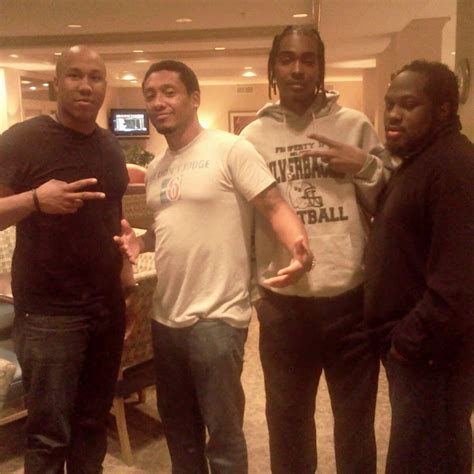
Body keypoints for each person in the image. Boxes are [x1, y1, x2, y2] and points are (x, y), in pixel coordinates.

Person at [114, 59, 313, 474]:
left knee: (223, 438)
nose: (158, 102)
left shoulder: (230, 149)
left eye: (169, 92)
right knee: (180, 434)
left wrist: (298, 246)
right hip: (165, 319)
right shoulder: (156, 169)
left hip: (218, 320)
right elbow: (168, 227)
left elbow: (273, 203)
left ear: (194, 98)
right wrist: (142, 241)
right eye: (150, 95)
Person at [240, 25, 385, 474]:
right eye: (287, 59)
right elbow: (244, 222)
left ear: (321, 67)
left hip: (350, 302)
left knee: (356, 423)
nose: (297, 69)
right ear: (273, 67)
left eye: (308, 59)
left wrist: (365, 166)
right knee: (287, 424)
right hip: (284, 307)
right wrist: (255, 293)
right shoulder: (252, 138)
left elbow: (391, 205)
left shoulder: (354, 126)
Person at [0, 45, 137, 473]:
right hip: (49, 314)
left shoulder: (110, 145)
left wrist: (128, 282)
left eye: (95, 78)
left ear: (104, 86)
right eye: (75, 76)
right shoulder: (22, 140)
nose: (85, 86)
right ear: (56, 82)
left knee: (92, 426)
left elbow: (114, 218)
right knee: (48, 436)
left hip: (106, 309)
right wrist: (35, 200)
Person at [364, 60, 474, 474]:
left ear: (442, 110)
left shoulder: (454, 167)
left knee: (430, 458)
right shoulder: (420, 161)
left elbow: (459, 279)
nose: (393, 115)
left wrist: (406, 341)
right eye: (390, 104)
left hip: (434, 356)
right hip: (416, 353)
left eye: (409, 105)